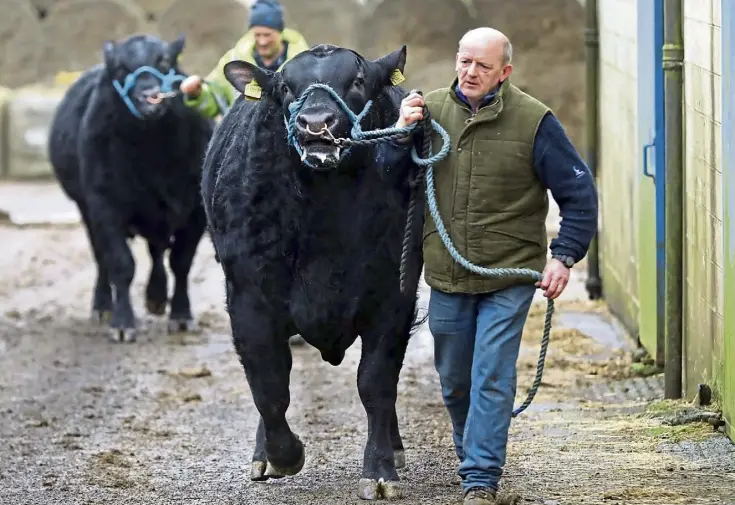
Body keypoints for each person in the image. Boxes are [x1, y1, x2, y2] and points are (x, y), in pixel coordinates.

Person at [383, 27, 598, 504]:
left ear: (505, 71)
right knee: (455, 380)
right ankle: (473, 458)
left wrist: (563, 256)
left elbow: (579, 194)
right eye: (464, 61)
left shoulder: (534, 121)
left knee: (491, 376)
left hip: (510, 274)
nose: (470, 72)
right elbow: (384, 175)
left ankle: (480, 481)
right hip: (446, 271)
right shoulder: (428, 112)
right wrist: (399, 132)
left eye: (483, 65)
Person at [179, 0, 309, 119]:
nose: (262, 41)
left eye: (268, 35)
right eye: (257, 35)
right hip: (242, 139)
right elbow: (216, 98)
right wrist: (197, 92)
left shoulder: (305, 63)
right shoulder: (234, 59)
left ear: (280, 32)